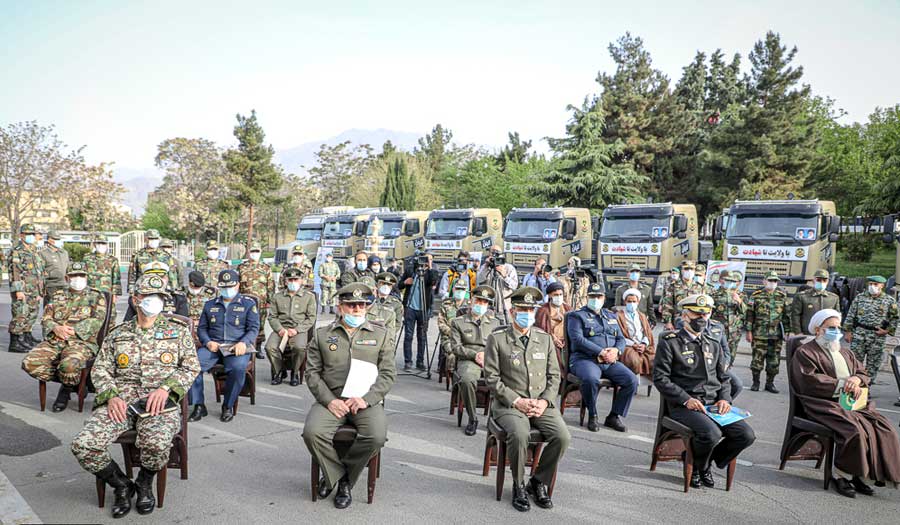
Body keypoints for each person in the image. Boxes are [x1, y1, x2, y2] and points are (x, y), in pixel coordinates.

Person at [70, 273, 199, 519]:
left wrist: (166, 388)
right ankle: (121, 484)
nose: (154, 301)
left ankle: (143, 482)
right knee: (83, 445)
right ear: (135, 299)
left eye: (159, 297)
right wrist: (111, 395)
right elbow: (100, 368)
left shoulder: (178, 332)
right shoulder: (117, 334)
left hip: (159, 402)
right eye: (149, 296)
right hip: (121, 400)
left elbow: (191, 367)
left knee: (157, 443)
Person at [302, 282, 395, 510]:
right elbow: (312, 373)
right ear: (340, 307)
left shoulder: (381, 335)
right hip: (331, 399)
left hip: (365, 400)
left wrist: (367, 399)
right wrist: (329, 401)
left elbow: (388, 374)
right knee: (312, 433)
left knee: (376, 436)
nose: (356, 309)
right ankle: (338, 475)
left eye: (361, 305)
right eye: (351, 305)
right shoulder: (324, 335)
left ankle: (343, 479)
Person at [792, 309, 900, 497]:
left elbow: (863, 373)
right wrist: (843, 384)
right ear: (818, 330)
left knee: (885, 428)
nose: (836, 331)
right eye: (831, 328)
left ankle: (863, 475)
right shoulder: (806, 352)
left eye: (838, 327)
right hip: (822, 403)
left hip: (851, 403)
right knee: (854, 430)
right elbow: (809, 381)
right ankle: (842, 476)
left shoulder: (845, 352)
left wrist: (857, 380)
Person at [653, 293, 755, 489]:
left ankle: (702, 463)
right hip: (686, 405)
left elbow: (723, 378)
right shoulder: (670, 341)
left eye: (705, 314)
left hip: (713, 405)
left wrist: (725, 399)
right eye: (696, 314)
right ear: (685, 316)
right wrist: (685, 399)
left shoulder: (713, 343)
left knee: (746, 435)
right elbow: (661, 378)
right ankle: (700, 465)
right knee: (711, 434)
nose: (701, 319)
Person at [484, 286, 571, 512]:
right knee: (520, 434)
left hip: (540, 403)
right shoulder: (498, 339)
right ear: (513, 312)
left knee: (562, 436)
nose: (528, 314)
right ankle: (519, 483)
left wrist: (544, 402)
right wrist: (517, 401)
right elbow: (492, 379)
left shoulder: (544, 338)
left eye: (531, 309)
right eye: (523, 309)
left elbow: (554, 376)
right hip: (509, 404)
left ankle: (538, 480)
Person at [21, 262, 107, 412]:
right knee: (29, 363)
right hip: (56, 340)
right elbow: (46, 318)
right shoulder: (58, 295)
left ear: (86, 277)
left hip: (81, 342)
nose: (78, 278)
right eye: (74, 275)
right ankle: (73, 381)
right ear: (67, 278)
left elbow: (98, 320)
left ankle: (66, 389)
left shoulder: (96, 296)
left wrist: (73, 330)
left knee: (68, 365)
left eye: (81, 275)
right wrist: (56, 327)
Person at [189, 269, 260, 422]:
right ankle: (199, 405)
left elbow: (254, 328)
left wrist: (244, 342)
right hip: (214, 346)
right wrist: (207, 341)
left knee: (237, 368)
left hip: (236, 347)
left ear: (238, 285)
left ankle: (228, 405)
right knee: (192, 365)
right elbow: (202, 328)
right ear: (219, 287)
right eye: (224, 286)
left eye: (231, 286)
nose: (227, 290)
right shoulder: (210, 305)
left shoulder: (248, 304)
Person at [566, 283, 638, 432]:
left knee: (631, 380)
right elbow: (577, 339)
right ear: (587, 297)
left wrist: (616, 351)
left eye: (599, 296)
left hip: (609, 361)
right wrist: (601, 352)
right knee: (591, 379)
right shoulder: (577, 315)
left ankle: (614, 416)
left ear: (604, 298)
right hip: (585, 360)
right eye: (592, 296)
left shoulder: (610, 316)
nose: (596, 299)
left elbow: (621, 339)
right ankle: (592, 414)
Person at [450, 285, 502, 436]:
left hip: (490, 359)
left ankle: (496, 417)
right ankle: (473, 418)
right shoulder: (458, 322)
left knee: (507, 379)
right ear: (471, 301)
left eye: (484, 302)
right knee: (466, 380)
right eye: (478, 301)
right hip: (468, 359)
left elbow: (500, 345)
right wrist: (475, 355)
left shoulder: (495, 323)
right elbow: (456, 347)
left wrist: (488, 356)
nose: (480, 305)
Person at [266, 267, 317, 386]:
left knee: (299, 347)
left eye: (296, 279)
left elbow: (311, 318)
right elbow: (272, 316)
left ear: (301, 281)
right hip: (281, 329)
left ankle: (295, 372)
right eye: (290, 280)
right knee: (270, 347)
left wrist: (297, 330)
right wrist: (280, 329)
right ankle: (279, 371)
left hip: (298, 329)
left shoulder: (309, 297)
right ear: (285, 281)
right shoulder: (277, 297)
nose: (293, 282)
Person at [843, 275, 899, 382]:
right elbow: (851, 315)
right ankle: (854, 383)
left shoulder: (889, 301)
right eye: (870, 284)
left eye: (875, 284)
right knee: (855, 361)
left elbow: (895, 318)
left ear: (882, 286)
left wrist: (887, 330)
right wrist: (848, 331)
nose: (872, 286)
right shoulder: (860, 298)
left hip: (877, 336)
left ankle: (867, 385)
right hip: (859, 333)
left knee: (873, 363)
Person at [745, 271, 790, 393]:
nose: (772, 283)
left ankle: (770, 384)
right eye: (770, 280)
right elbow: (750, 315)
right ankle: (756, 383)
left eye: (775, 281)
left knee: (774, 361)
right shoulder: (756, 295)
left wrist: (787, 331)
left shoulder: (782, 295)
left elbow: (786, 316)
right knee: (757, 360)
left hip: (776, 335)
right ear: (764, 281)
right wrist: (748, 331)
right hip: (759, 333)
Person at [397, 252, 439, 371]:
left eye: (429, 259)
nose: (426, 261)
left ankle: (420, 361)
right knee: (408, 335)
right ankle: (408, 361)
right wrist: (405, 282)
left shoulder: (432, 272)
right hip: (410, 307)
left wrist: (430, 266)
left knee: (422, 336)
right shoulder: (411, 270)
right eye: (425, 258)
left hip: (424, 308)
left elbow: (433, 280)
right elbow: (398, 285)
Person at [6, 223, 45, 353]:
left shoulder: (33, 251)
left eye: (32, 234)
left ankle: (27, 337)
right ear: (21, 235)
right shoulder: (17, 251)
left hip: (33, 290)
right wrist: (18, 290)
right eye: (28, 234)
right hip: (23, 289)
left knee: (31, 314)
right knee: (20, 315)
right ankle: (15, 342)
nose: (30, 236)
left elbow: (39, 272)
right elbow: (15, 272)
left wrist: (40, 290)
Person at [237, 242, 274, 359]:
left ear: (260, 253)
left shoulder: (266, 268)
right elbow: (237, 285)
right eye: (252, 251)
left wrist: (271, 302)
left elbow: (270, 286)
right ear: (249, 253)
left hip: (261, 303)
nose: (254, 254)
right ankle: (245, 346)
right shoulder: (241, 267)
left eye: (257, 252)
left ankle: (258, 348)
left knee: (260, 325)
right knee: (243, 324)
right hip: (244, 303)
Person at [123, 262, 189, 321]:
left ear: (167, 278)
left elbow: (183, 322)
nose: (158, 280)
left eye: (161, 276)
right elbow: (128, 323)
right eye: (153, 277)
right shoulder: (138, 298)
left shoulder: (177, 298)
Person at [617, 289, 655, 379]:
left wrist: (643, 344)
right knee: (633, 360)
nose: (632, 304)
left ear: (638, 301)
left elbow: (647, 333)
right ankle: (630, 382)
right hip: (627, 345)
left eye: (634, 301)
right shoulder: (619, 316)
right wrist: (633, 345)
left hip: (642, 345)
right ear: (625, 302)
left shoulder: (642, 316)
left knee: (655, 360)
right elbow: (618, 335)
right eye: (629, 301)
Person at [711, 271, 747, 366]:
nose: (729, 282)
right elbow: (709, 313)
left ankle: (727, 373)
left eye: (732, 281)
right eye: (727, 280)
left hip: (734, 332)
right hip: (718, 331)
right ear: (722, 281)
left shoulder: (741, 294)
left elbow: (746, 312)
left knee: (731, 356)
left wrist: (739, 301)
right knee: (716, 354)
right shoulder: (714, 294)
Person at [791, 269, 840, 336]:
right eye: (818, 280)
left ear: (828, 281)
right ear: (813, 280)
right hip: (807, 334)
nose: (821, 282)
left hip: (826, 335)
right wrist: (798, 332)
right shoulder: (802, 296)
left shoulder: (833, 298)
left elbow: (837, 317)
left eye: (824, 280)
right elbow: (795, 315)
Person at [438, 280, 471, 380]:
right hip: (449, 338)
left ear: (466, 291)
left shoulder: (470, 305)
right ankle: (452, 375)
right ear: (453, 289)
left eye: (462, 289)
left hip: (465, 338)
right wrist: (453, 333)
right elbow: (441, 324)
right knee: (452, 354)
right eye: (458, 289)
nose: (460, 291)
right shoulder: (446, 304)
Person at [128, 229, 178, 294]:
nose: (153, 240)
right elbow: (132, 274)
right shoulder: (138, 255)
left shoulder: (166, 256)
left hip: (162, 290)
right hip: (143, 290)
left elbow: (172, 274)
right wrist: (131, 291)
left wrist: (173, 289)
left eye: (155, 238)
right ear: (145, 239)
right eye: (151, 238)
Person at [477, 245, 518, 320]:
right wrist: (486, 266)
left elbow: (514, 286)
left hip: (504, 308)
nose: (495, 255)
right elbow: (478, 281)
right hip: (487, 308)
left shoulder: (509, 268)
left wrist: (505, 275)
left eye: (498, 253)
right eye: (492, 252)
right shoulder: (485, 267)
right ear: (489, 254)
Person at [661, 260, 703, 330]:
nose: (689, 271)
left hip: (695, 322)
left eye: (691, 269)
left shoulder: (699, 287)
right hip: (678, 321)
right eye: (686, 269)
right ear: (682, 270)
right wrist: (668, 322)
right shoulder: (673, 286)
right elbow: (667, 305)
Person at [535, 282, 570, 367]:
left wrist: (566, 339)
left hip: (566, 342)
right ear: (550, 295)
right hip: (550, 342)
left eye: (560, 294)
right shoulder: (543, 310)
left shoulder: (568, 309)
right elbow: (541, 329)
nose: (559, 297)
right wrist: (553, 339)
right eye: (556, 295)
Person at [83, 233, 122, 298]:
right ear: (95, 244)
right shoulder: (87, 258)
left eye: (103, 243)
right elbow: (84, 276)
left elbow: (116, 279)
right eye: (99, 243)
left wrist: (115, 295)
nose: (101, 245)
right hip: (90, 291)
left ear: (107, 245)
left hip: (107, 292)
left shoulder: (112, 260)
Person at [39, 229, 70, 305]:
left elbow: (68, 268)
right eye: (56, 239)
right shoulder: (43, 253)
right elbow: (40, 271)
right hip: (51, 286)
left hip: (64, 285)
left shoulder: (64, 253)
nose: (58, 241)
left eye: (59, 239)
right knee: (50, 309)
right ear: (49, 240)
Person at [372, 272, 403, 342]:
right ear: (378, 284)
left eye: (389, 284)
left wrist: (388, 335)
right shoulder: (370, 300)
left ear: (392, 287)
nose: (386, 286)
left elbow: (397, 324)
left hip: (387, 339)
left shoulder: (396, 303)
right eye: (383, 283)